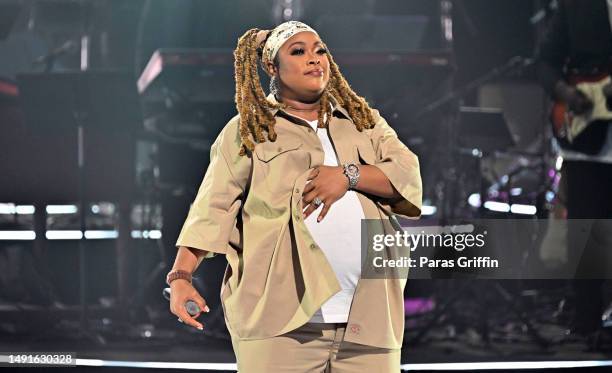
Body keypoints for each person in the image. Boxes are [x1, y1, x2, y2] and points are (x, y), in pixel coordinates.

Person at [167, 21, 422, 372]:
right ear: (272, 67)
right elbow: (212, 208)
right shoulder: (249, 129)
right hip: (281, 326)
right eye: (298, 52)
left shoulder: (363, 121)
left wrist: (349, 176)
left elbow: (408, 174)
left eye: (320, 50)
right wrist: (181, 277)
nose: (314, 59)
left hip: (371, 320)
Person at [535, 0, 612, 337]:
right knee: (586, 230)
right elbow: (544, 63)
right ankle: (587, 320)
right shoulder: (577, 5)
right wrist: (566, 92)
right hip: (587, 139)